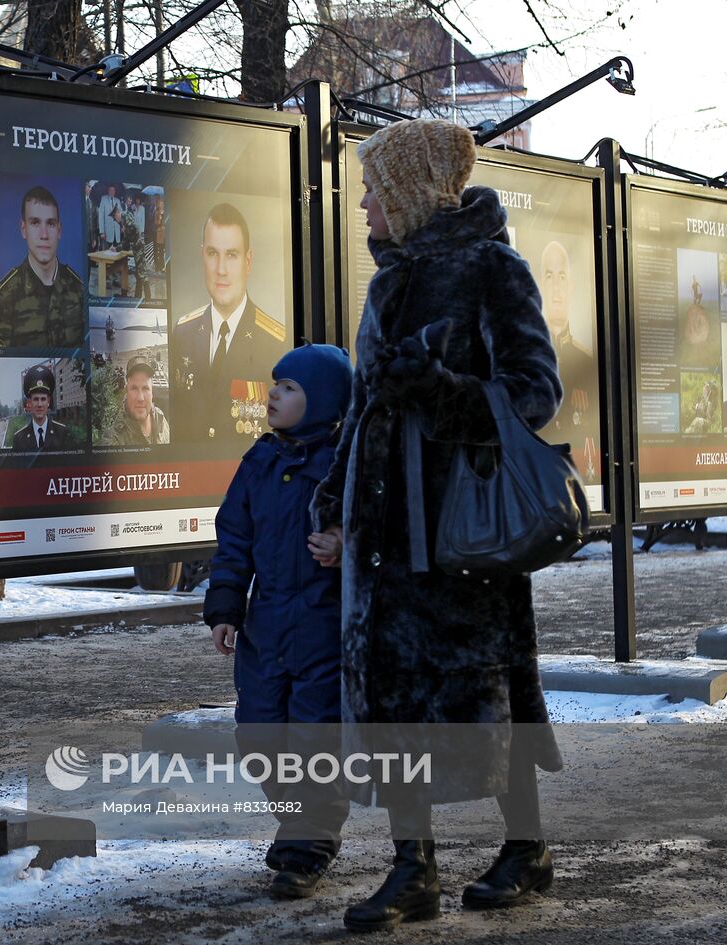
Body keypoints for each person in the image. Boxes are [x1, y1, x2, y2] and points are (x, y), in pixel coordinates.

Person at [310, 118, 563, 933]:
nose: (366, 208)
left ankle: (525, 848)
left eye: (376, 189)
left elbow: (535, 392)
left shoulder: (494, 268)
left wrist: (445, 389)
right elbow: (363, 406)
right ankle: (411, 866)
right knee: (393, 697)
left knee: (489, 694)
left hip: (463, 536)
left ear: (413, 189)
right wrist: (330, 497)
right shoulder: (386, 284)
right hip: (384, 539)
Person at [206, 342, 354, 900]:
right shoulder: (259, 461)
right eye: (275, 384)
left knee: (316, 737)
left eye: (290, 388)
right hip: (265, 628)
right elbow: (234, 540)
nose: (273, 394)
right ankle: (299, 822)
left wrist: (344, 544)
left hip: (326, 627)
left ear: (322, 401)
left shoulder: (346, 465)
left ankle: (306, 841)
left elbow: (385, 529)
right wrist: (225, 607)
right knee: (260, 734)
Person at [171, 203, 286, 443]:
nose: (221, 270)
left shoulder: (276, 344)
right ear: (202, 255)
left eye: (231, 255)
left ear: (248, 261)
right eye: (213, 253)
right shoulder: (182, 334)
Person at [0, 186, 85, 349]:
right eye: (35, 223)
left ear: (59, 230)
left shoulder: (79, 289)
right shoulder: (4, 297)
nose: (44, 235)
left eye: (50, 223)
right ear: (24, 229)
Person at [538, 239, 598, 450]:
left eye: (561, 276)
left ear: (570, 286)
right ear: (541, 285)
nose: (555, 286)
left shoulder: (588, 361)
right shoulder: (529, 360)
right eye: (549, 276)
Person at [100, 356, 170, 446]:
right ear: (126, 391)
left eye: (145, 388)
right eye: (134, 388)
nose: (140, 398)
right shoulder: (113, 441)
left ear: (152, 392)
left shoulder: (160, 418)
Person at [10, 363, 70, 451]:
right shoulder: (19, 438)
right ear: (29, 403)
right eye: (35, 399)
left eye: (43, 399)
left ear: (48, 402)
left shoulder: (62, 433)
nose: (39, 404)